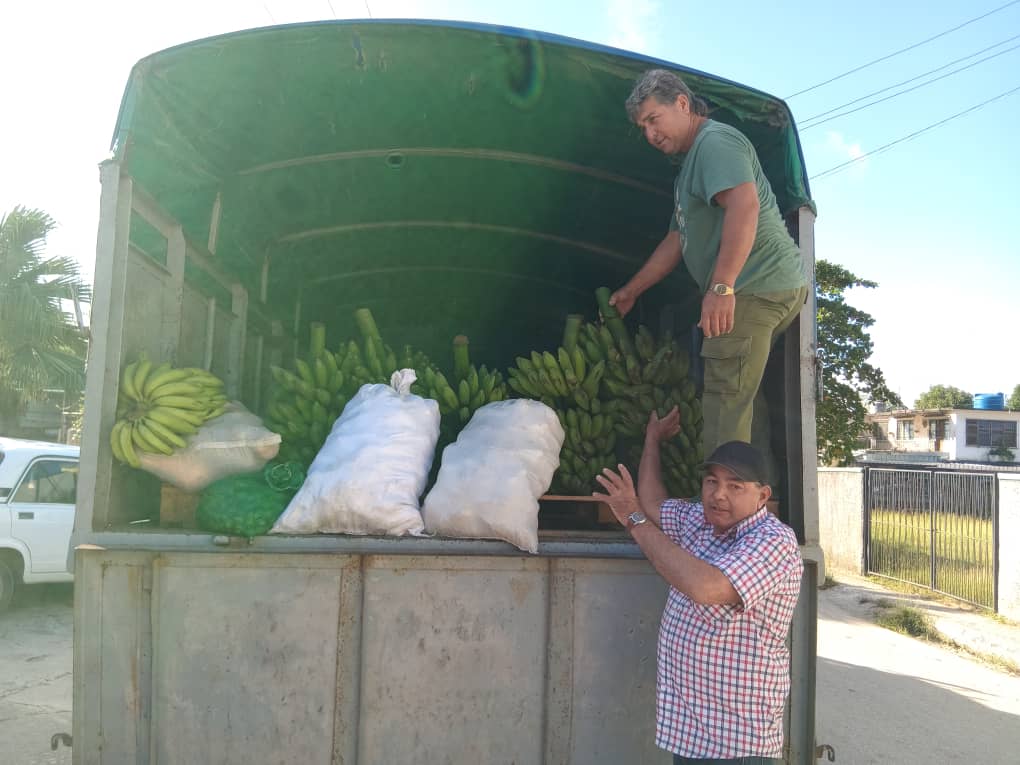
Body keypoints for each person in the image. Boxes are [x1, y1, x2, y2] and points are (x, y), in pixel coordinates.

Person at [610, 69, 809, 456]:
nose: (650, 134)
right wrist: (632, 290)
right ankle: (750, 500)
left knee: (723, 403)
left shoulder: (715, 143)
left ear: (682, 104)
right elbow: (675, 239)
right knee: (739, 398)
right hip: (762, 285)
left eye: (654, 119)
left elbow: (743, 205)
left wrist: (722, 286)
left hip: (755, 285)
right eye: (643, 127)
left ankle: (718, 512)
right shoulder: (689, 169)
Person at [594, 407, 803, 764]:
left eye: (735, 486)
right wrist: (652, 441)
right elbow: (655, 503)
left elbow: (706, 588)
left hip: (736, 741)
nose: (719, 494)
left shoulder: (773, 541)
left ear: (763, 496)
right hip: (693, 733)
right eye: (711, 482)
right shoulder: (700, 522)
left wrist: (633, 519)